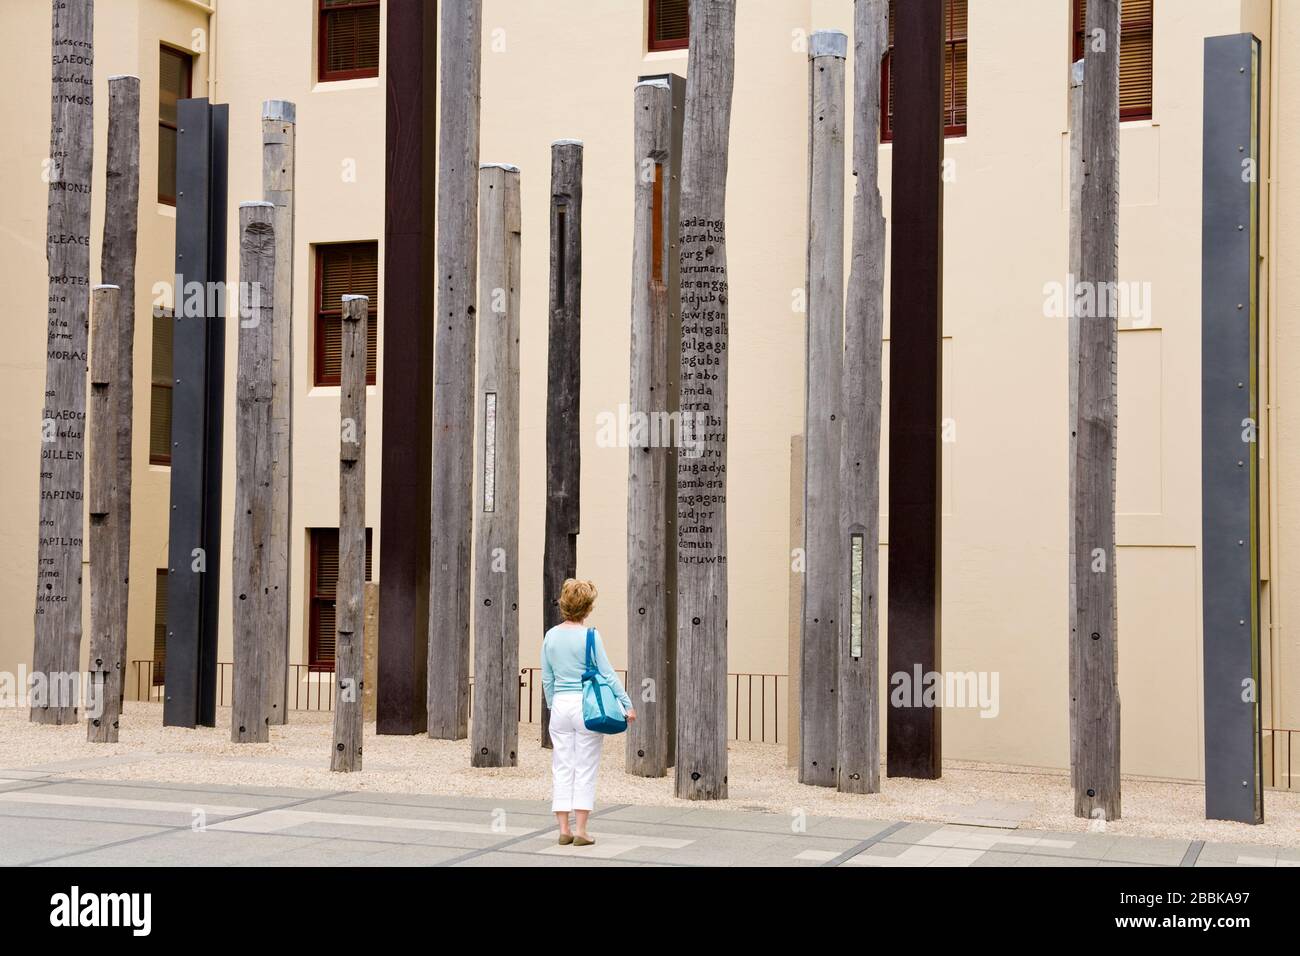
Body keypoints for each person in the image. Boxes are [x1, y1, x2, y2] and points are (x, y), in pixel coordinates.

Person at [541, 578, 636, 846]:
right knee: (585, 767)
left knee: (562, 765)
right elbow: (606, 674)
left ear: (563, 604)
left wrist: (552, 705)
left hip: (560, 705)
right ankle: (581, 830)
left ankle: (563, 829)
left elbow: (547, 678)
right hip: (586, 705)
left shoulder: (551, 636)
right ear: (587, 607)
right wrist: (626, 703)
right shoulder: (590, 636)